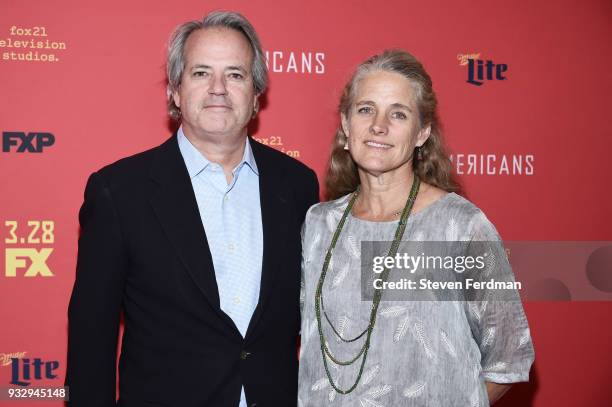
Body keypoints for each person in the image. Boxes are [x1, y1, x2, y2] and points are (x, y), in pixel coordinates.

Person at [66, 11, 319, 407]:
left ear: (256, 95)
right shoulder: (118, 191)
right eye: (201, 73)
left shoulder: (298, 185)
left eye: (235, 74)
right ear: (176, 92)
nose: (218, 88)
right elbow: (90, 339)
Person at [298, 50, 534, 406]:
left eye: (398, 113)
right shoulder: (319, 225)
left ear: (422, 132)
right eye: (365, 110)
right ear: (346, 124)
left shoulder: (459, 227)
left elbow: (508, 358)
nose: (379, 125)